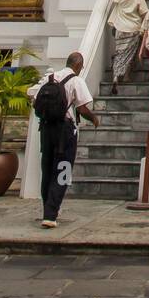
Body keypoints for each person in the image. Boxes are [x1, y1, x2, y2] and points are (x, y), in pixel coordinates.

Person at [28, 51, 99, 228]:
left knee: (48, 168)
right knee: (63, 170)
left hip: (46, 128)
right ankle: (51, 215)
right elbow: (82, 109)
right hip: (65, 130)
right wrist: (94, 119)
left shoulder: (50, 78)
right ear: (78, 66)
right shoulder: (76, 81)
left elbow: (34, 101)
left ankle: (48, 209)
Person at [107, 0, 148, 95]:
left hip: (120, 28)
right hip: (133, 28)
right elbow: (144, 12)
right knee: (129, 54)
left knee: (119, 52)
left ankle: (115, 76)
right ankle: (126, 75)